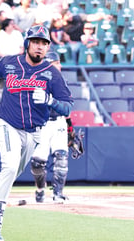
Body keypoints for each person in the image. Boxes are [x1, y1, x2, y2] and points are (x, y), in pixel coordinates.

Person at [0, 25, 73, 241]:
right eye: (36, 42)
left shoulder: (51, 73)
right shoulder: (9, 62)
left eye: (44, 43)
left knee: (11, 173)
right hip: (8, 124)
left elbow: (67, 107)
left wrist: (50, 101)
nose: (40, 47)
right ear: (28, 43)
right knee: (9, 166)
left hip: (34, 133)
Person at [31, 51, 83, 203]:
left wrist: (70, 127)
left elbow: (66, 106)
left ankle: (58, 193)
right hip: (41, 124)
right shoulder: (36, 80)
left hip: (59, 121)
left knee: (61, 157)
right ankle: (40, 190)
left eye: (58, 63)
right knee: (37, 162)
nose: (59, 66)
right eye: (55, 63)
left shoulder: (61, 81)